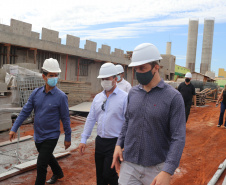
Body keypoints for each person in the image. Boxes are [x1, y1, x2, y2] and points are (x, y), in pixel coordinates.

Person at [111, 43, 186, 185]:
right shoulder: (133, 93)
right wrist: (118, 145)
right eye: (136, 69)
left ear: (155, 68)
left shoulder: (173, 98)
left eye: (142, 68)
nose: (138, 72)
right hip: (130, 165)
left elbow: (178, 138)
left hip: (157, 168)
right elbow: (128, 121)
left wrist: (167, 171)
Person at [9, 58, 71, 185]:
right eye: (51, 75)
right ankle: (58, 172)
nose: (54, 78)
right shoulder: (36, 93)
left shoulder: (61, 97)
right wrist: (14, 128)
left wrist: (68, 137)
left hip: (52, 135)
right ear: (44, 76)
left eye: (56, 75)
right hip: (38, 135)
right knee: (47, 156)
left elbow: (65, 118)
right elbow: (25, 111)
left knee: (41, 164)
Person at [78, 63, 128, 185]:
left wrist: (124, 144)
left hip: (115, 142)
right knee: (100, 177)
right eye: (103, 79)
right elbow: (91, 118)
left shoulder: (124, 97)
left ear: (115, 79)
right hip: (100, 141)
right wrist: (84, 139)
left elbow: (128, 121)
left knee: (108, 174)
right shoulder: (98, 98)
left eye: (108, 79)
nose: (105, 81)